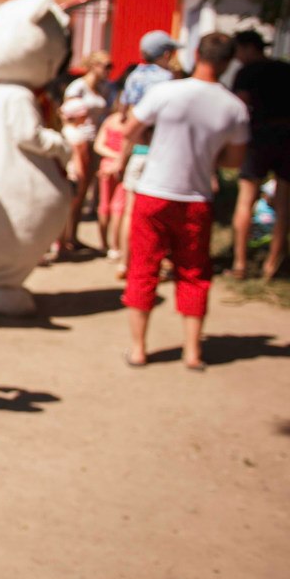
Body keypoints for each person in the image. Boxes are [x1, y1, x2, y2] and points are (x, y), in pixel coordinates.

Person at [115, 32, 248, 371]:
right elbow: (233, 161)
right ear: (228, 62)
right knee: (193, 272)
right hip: (196, 197)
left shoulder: (165, 92)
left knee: (144, 268)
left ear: (196, 54)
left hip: (154, 192)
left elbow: (129, 130)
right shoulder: (234, 107)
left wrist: (156, 140)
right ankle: (192, 352)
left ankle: (138, 348)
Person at [116, 30, 180, 277]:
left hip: (137, 150)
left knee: (130, 211)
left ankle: (125, 261)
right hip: (163, 153)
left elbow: (124, 117)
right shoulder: (169, 81)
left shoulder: (134, 77)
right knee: (161, 212)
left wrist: (122, 156)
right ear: (166, 54)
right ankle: (158, 261)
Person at [230, 29, 290, 280]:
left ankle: (240, 263)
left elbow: (239, 107)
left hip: (258, 138)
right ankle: (272, 263)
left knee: (246, 200)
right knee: (284, 203)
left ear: (248, 48)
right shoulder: (284, 69)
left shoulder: (246, 73)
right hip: (287, 136)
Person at [93, 95, 130, 260]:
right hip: (122, 166)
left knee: (107, 204)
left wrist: (112, 158)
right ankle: (115, 246)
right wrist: (119, 158)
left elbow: (99, 145)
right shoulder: (131, 124)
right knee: (117, 207)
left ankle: (105, 244)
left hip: (107, 166)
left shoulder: (110, 121)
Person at [57, 98, 96, 255]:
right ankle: (64, 242)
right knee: (70, 211)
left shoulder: (63, 132)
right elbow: (78, 161)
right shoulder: (77, 136)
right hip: (74, 176)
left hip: (63, 174)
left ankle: (62, 242)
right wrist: (82, 181)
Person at [64, 50, 113, 126]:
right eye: (107, 66)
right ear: (95, 65)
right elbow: (65, 115)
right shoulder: (78, 87)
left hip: (95, 135)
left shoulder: (102, 88)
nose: (109, 70)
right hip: (79, 135)